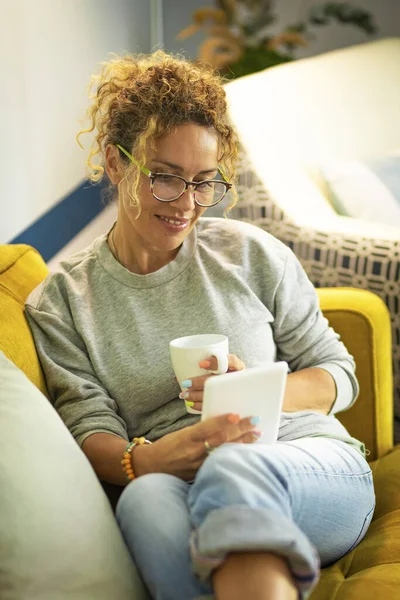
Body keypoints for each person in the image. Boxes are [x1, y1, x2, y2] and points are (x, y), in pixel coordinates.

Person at [25, 51, 375, 600]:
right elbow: (86, 423)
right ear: (116, 164)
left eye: (204, 182)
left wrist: (253, 389)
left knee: (232, 466)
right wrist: (147, 460)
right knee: (141, 502)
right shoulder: (63, 300)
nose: (187, 204)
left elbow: (340, 375)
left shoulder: (250, 255)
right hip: (173, 482)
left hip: (308, 469)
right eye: (166, 178)